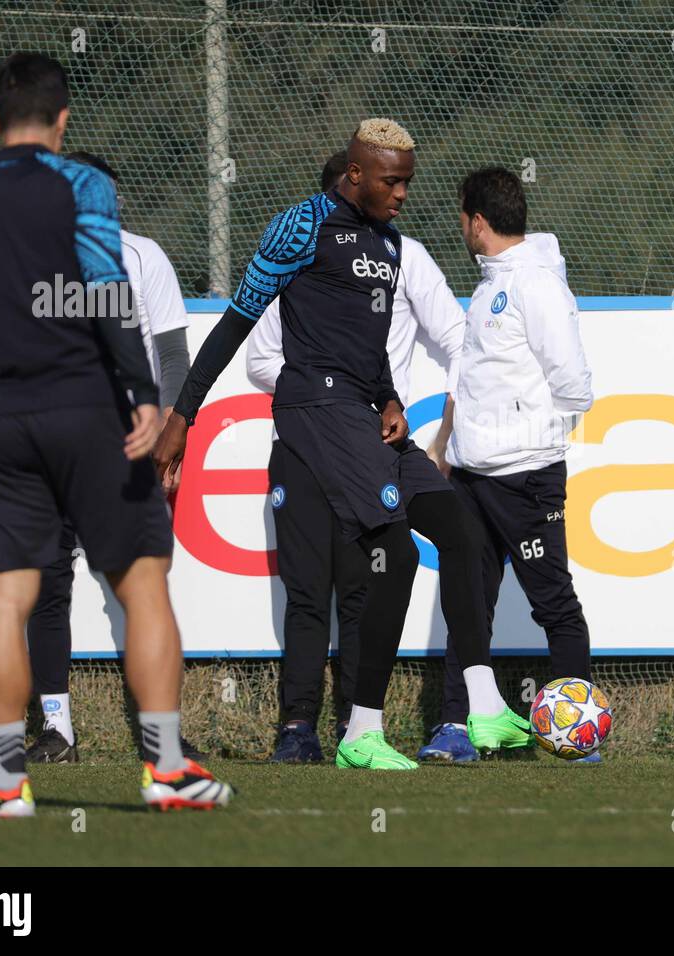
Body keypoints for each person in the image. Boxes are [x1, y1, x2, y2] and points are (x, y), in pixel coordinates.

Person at [155, 119, 529, 770]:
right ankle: (356, 732)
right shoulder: (299, 226)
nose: (403, 194)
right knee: (389, 555)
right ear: (355, 174)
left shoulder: (389, 245)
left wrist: (389, 398)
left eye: (409, 183)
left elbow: (372, 345)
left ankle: (479, 702)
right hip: (313, 409)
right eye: (392, 181)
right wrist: (183, 415)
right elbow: (236, 324)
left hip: (362, 414)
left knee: (460, 531)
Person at [0, 52, 232, 815]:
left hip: (5, 426)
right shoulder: (85, 186)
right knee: (144, 586)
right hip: (93, 416)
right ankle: (165, 771)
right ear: (62, 122)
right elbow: (107, 292)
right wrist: (143, 399)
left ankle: (3, 784)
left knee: (3, 602)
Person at [0, 150, 201, 765]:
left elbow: (173, 358)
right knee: (46, 584)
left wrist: (170, 434)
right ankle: (57, 729)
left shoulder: (144, 257)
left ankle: (162, 733)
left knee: (141, 586)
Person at [246, 150, 466, 762]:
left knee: (368, 584)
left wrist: (436, 430)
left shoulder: (404, 255)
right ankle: (297, 731)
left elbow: (456, 339)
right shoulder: (304, 257)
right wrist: (320, 385)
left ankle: (359, 725)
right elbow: (259, 358)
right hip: (307, 443)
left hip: (376, 447)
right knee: (309, 593)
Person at [417, 167, 595, 763]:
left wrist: (531, 431)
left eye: (461, 215)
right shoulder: (490, 280)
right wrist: (446, 447)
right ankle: (457, 728)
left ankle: (579, 734)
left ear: (479, 222)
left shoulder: (536, 282)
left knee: (554, 604)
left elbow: (573, 381)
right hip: (470, 476)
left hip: (526, 477)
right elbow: (472, 378)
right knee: (467, 602)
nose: (459, 226)